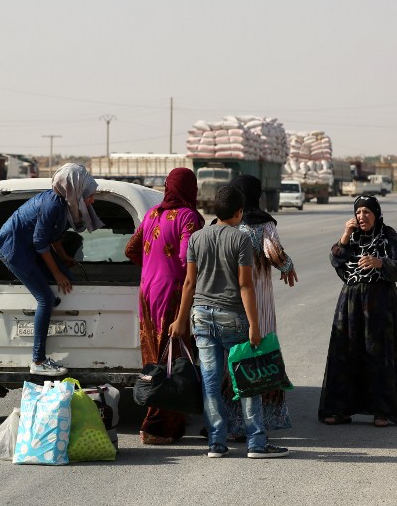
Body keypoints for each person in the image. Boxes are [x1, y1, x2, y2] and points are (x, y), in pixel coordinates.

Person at [169, 186, 289, 459]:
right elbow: (246, 286)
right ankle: (257, 444)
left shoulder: (197, 238)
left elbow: (189, 282)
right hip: (232, 317)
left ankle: (216, 443)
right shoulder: (241, 240)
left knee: (210, 383)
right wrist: (255, 326)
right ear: (239, 213)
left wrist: (180, 320)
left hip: (200, 316)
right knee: (246, 381)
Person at [0, 163, 102, 377]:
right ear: (76, 190)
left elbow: (53, 237)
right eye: (89, 195)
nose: (92, 200)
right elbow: (40, 243)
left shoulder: (60, 203)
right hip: (14, 249)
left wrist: (64, 259)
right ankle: (39, 360)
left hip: (27, 248)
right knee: (46, 298)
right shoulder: (53, 205)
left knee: (66, 276)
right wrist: (57, 273)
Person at [318, 195, 397, 427]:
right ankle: (341, 410)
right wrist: (344, 237)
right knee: (346, 354)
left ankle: (382, 411)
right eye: (358, 212)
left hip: (379, 303)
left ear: (376, 214)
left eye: (367, 212)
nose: (361, 217)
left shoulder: (388, 235)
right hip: (351, 303)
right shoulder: (350, 237)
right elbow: (335, 260)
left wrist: (381, 263)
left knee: (378, 355)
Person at [125, 167, 205, 445]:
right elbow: (187, 257)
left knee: (154, 357)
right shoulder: (188, 217)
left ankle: (160, 422)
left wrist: (152, 266)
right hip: (173, 293)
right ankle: (158, 426)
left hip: (147, 293)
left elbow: (131, 250)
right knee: (171, 362)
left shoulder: (152, 214)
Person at [226, 175, 298, 437]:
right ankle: (260, 421)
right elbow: (273, 252)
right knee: (258, 357)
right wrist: (288, 266)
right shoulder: (263, 224)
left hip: (231, 299)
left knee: (233, 359)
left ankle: (232, 424)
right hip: (259, 299)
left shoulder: (224, 222)